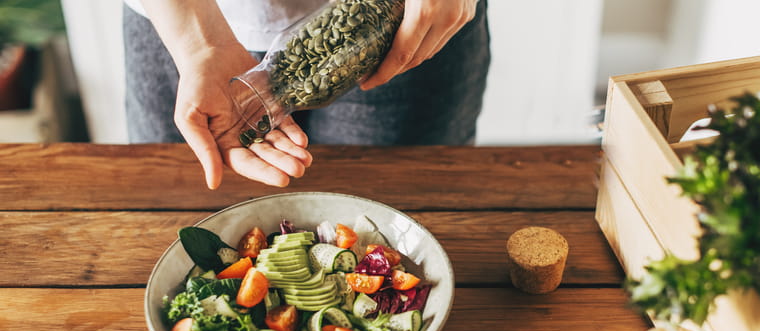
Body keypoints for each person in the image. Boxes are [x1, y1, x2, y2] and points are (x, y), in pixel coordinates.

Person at [123, 0, 490, 189]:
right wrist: (199, 41)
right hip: (177, 19)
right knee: (181, 211)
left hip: (402, 15)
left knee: (403, 213)